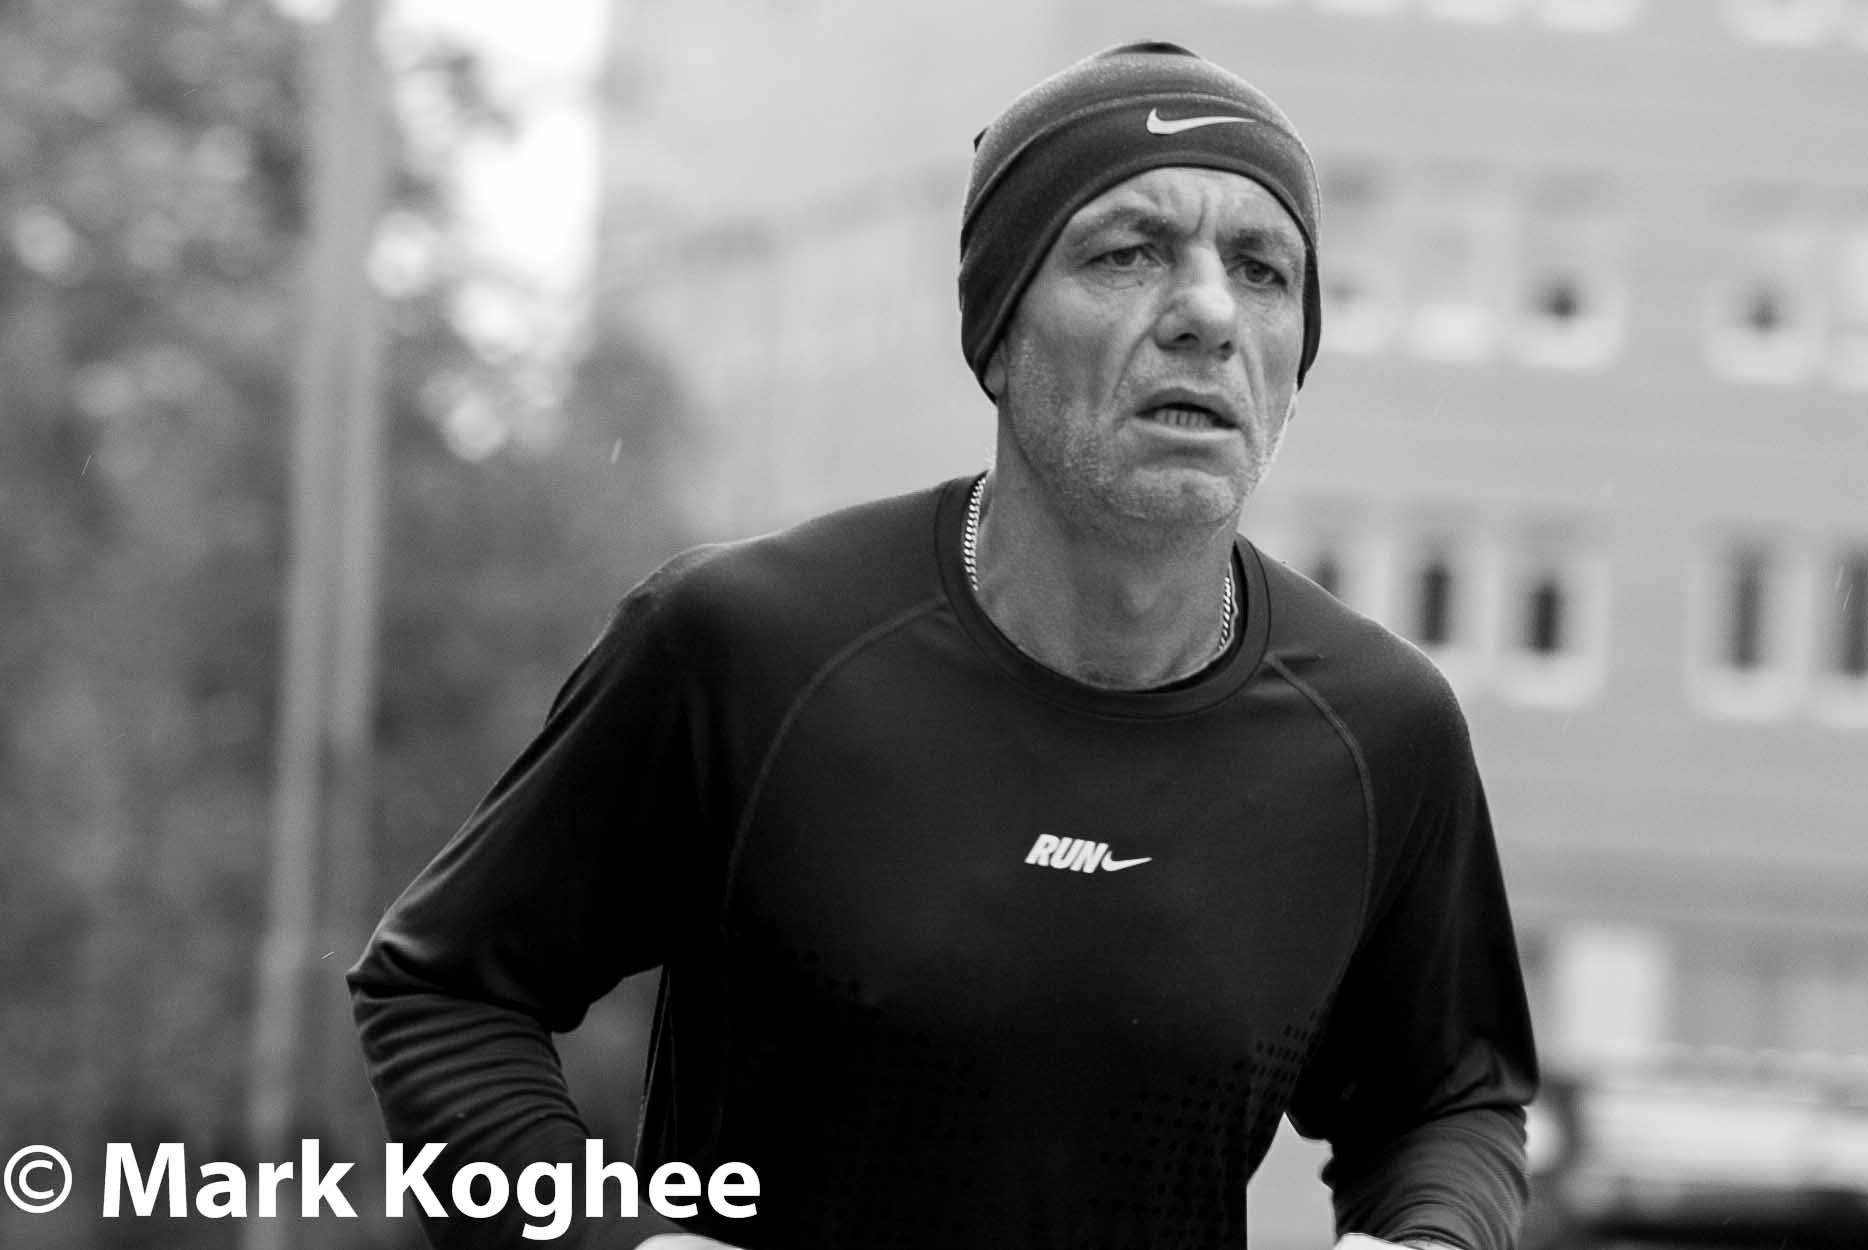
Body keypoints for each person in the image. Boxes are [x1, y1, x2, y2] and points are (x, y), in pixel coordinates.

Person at [350, 39, 1538, 1250]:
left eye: (1261, 268)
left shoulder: (1376, 730)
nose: (1207, 314)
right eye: (1127, 253)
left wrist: (1429, 1238)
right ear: (999, 331)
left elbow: (1445, 1100)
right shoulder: (746, 647)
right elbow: (441, 986)